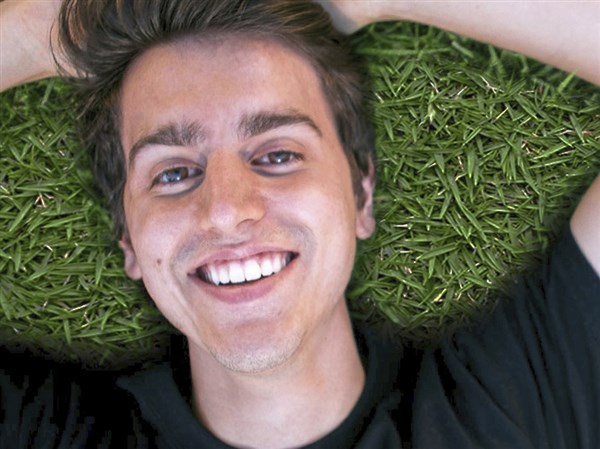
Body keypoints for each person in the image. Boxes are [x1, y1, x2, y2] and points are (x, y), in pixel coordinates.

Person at [0, 0, 598, 448]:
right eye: (174, 172)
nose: (227, 210)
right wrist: (33, 34)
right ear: (129, 239)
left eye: (278, 155)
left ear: (360, 193)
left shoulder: (519, 404)